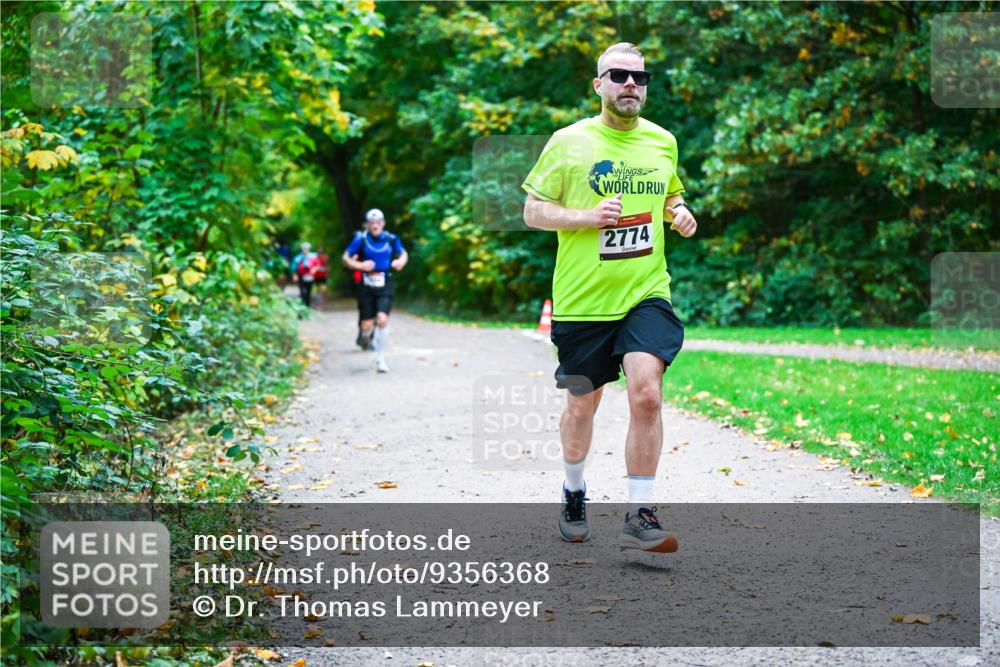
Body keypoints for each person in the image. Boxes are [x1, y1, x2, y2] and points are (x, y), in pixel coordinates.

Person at [521, 43, 698, 552]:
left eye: (640, 77)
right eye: (618, 75)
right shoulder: (568, 141)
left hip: (645, 290)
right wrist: (586, 217)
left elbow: (669, 194)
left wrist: (679, 212)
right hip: (582, 301)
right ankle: (574, 490)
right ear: (598, 84)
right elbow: (533, 211)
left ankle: (640, 512)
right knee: (583, 405)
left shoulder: (662, 141)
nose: (630, 84)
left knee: (647, 392)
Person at [342, 208, 408, 373]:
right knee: (367, 325)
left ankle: (381, 359)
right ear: (367, 225)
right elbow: (345, 258)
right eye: (372, 223)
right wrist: (359, 265)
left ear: (383, 223)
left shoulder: (391, 238)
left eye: (378, 222)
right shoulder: (361, 239)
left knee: (382, 319)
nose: (375, 225)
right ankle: (365, 336)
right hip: (366, 284)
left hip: (385, 282)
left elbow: (403, 254)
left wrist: (400, 262)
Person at [290, 242, 319, 311]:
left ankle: (307, 308)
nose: (305, 250)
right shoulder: (298, 257)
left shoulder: (313, 256)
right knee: (302, 292)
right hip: (301, 276)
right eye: (304, 248)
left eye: (306, 248)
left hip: (310, 277)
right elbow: (293, 267)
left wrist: (314, 269)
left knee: (308, 293)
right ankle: (302, 308)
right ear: (301, 249)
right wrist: (294, 275)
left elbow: (317, 265)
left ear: (309, 249)